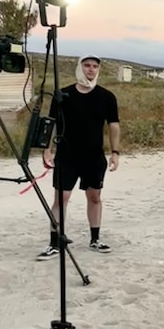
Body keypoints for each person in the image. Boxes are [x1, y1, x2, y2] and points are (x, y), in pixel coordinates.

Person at [37, 55, 121, 260]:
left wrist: (115, 152)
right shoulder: (63, 95)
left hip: (94, 155)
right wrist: (47, 149)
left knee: (94, 197)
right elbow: (51, 122)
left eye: (94, 66)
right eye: (87, 66)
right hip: (67, 155)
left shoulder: (106, 97)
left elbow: (114, 125)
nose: (90, 70)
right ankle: (54, 242)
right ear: (79, 67)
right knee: (61, 198)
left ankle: (95, 238)